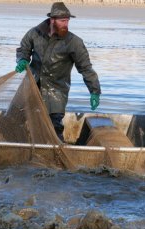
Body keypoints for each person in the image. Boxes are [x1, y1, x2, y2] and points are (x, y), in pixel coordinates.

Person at [15, 2, 101, 140]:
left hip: (57, 92)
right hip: (32, 86)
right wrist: (22, 60)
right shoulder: (34, 33)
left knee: (54, 128)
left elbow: (86, 68)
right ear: (52, 20)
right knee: (15, 118)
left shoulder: (74, 42)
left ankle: (56, 154)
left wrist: (95, 91)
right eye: (62, 21)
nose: (65, 24)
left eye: (67, 21)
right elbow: (23, 49)